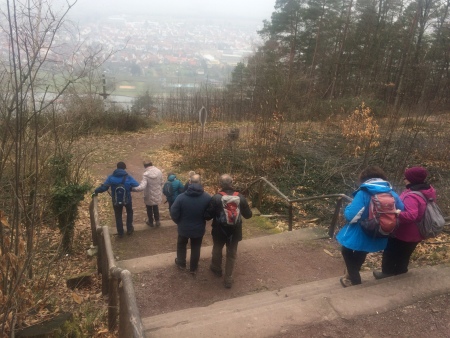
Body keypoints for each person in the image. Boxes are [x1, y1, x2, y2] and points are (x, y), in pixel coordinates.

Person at [336, 166, 404, 287]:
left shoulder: (363, 192)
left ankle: (355, 281)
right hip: (379, 230)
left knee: (346, 250)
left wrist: (347, 209)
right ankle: (351, 278)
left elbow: (351, 216)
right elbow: (401, 209)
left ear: (363, 179)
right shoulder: (391, 193)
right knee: (361, 252)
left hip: (361, 231)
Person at [374, 166, 436, 279]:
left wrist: (396, 212)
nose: (404, 179)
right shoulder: (427, 190)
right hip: (418, 231)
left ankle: (387, 273)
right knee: (404, 255)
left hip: (405, 233)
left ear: (412, 179)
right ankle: (401, 275)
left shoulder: (412, 195)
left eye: (406, 177)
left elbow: (411, 215)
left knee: (390, 252)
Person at [204, 174, 253, 288]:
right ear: (232, 183)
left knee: (217, 249)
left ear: (220, 184)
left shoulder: (216, 198)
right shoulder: (240, 197)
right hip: (234, 232)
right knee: (231, 254)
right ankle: (228, 279)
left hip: (219, 231)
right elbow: (248, 215)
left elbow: (207, 216)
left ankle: (216, 268)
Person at [170, 174, 211, 274]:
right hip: (198, 228)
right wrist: (204, 219)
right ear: (200, 183)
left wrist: (178, 222)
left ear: (190, 182)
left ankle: (181, 263)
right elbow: (209, 214)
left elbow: (173, 212)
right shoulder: (207, 197)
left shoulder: (181, 197)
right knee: (196, 247)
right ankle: (193, 267)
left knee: (181, 245)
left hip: (183, 227)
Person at [94, 162, 139, 238]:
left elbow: (104, 188)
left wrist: (96, 191)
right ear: (124, 168)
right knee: (129, 212)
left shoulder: (111, 177)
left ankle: (120, 232)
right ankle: (129, 229)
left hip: (116, 200)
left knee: (118, 215)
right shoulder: (128, 177)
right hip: (127, 199)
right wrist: (129, 188)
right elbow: (137, 185)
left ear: (117, 167)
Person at [132, 160, 163, 227]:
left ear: (145, 166)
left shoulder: (146, 175)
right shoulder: (159, 171)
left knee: (149, 208)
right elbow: (161, 182)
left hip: (148, 194)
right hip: (157, 193)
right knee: (155, 206)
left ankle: (150, 221)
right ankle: (157, 221)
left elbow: (142, 187)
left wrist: (133, 189)